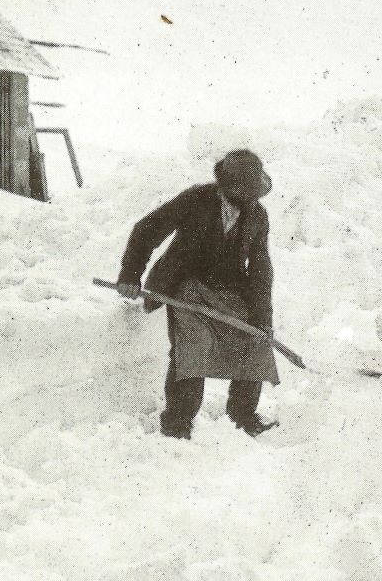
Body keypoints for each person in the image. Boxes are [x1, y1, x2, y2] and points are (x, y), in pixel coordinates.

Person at [116, 149, 279, 439]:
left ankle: (243, 415)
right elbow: (146, 230)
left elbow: (260, 269)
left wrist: (261, 317)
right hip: (185, 287)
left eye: (253, 191)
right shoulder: (196, 200)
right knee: (192, 348)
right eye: (243, 189)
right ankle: (178, 422)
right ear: (227, 186)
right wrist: (130, 275)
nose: (249, 197)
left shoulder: (257, 215)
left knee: (255, 341)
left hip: (229, 290)